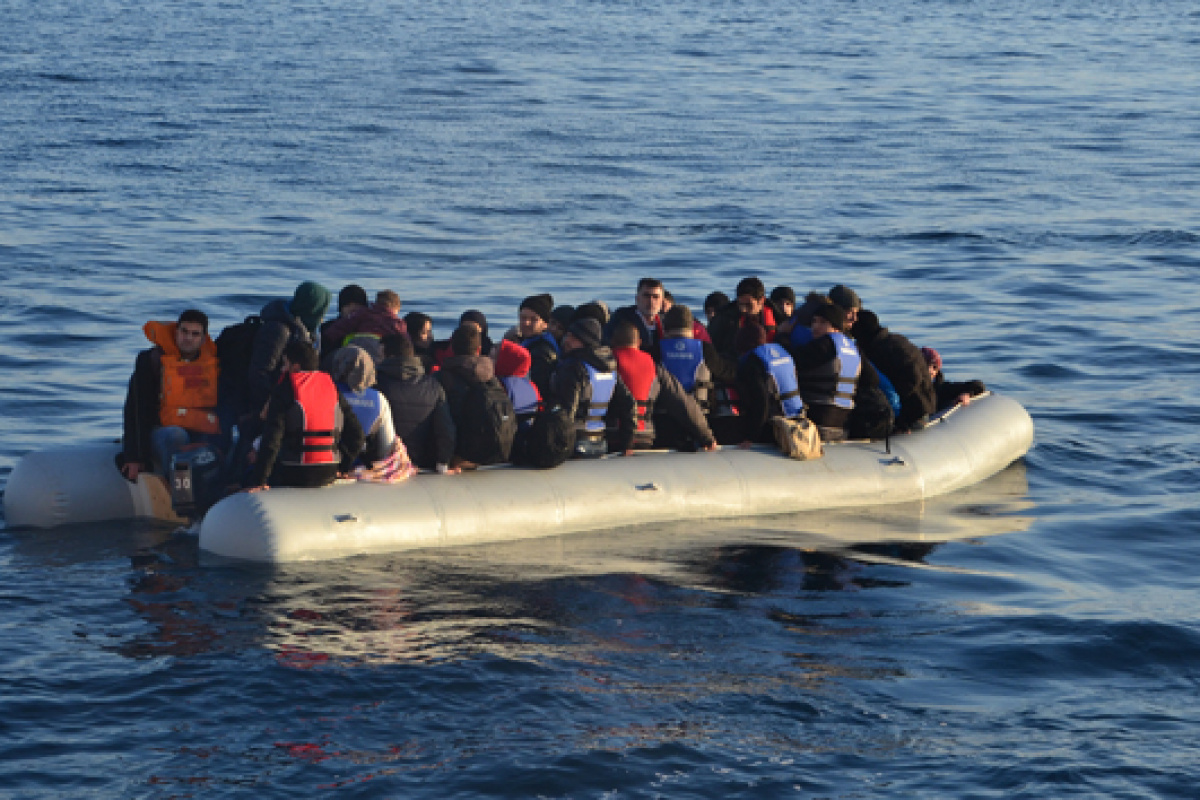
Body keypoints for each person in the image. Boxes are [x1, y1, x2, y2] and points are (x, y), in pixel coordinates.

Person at [121, 310, 222, 481]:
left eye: (195, 334)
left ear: (203, 339)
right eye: (184, 331)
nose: (188, 338)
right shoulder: (151, 360)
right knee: (175, 435)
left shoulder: (212, 364)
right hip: (161, 431)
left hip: (199, 429)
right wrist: (134, 457)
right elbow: (135, 409)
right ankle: (179, 493)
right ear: (176, 332)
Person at [248, 340, 364, 489]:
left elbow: (272, 438)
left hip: (293, 471)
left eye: (285, 364)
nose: (283, 368)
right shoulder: (331, 386)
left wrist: (260, 481)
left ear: (295, 367)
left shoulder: (285, 388)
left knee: (247, 466)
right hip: (329, 472)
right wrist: (343, 467)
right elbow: (357, 435)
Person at [611, 321, 716, 451]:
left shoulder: (606, 365)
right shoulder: (654, 368)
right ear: (639, 342)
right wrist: (707, 437)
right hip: (644, 436)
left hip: (613, 436)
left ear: (613, 342)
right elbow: (683, 403)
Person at [548, 317, 637, 457]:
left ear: (586, 341)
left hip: (576, 443)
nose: (567, 341)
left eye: (573, 338)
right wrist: (627, 444)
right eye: (568, 335)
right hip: (600, 443)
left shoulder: (573, 368)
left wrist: (557, 447)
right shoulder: (610, 369)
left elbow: (567, 412)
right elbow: (629, 404)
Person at [247, 281, 332, 420]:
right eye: (320, 311)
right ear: (311, 308)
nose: (322, 319)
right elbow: (260, 372)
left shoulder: (306, 330)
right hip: (266, 410)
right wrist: (271, 407)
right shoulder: (278, 330)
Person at [375, 334, 457, 474]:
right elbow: (446, 430)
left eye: (380, 354)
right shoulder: (433, 386)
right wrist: (442, 463)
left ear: (388, 355)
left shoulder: (376, 384)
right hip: (421, 463)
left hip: (383, 464)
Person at [437, 323, 515, 467]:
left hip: (460, 453)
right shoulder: (492, 379)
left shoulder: (442, 378)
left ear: (452, 348)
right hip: (495, 451)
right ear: (479, 350)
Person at [851, 310, 936, 432]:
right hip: (917, 406)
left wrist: (893, 404)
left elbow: (913, 378)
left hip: (916, 411)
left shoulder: (890, 348)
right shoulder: (886, 342)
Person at [787, 303, 862, 441]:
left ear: (836, 326)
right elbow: (872, 379)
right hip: (843, 423)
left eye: (822, 322)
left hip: (818, 419)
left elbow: (790, 361)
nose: (815, 327)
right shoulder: (854, 349)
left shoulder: (824, 345)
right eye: (814, 321)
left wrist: (783, 336)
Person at [732, 322, 804, 445]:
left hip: (774, 426)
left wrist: (751, 438)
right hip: (798, 420)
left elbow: (761, 402)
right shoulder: (782, 351)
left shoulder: (753, 362)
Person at [330, 345, 397, 466]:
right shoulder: (379, 399)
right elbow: (387, 446)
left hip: (330, 464)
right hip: (360, 468)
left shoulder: (328, 391)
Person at [321, 289, 408, 366]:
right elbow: (406, 343)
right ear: (396, 309)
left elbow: (341, 327)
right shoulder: (397, 322)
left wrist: (329, 334)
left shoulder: (363, 313)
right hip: (380, 352)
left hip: (358, 348)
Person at [708, 277, 784, 359]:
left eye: (749, 305)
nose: (743, 310)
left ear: (761, 301)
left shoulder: (779, 318)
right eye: (741, 304)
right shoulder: (723, 319)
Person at [603, 278, 665, 354]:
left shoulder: (665, 321)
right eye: (646, 296)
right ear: (637, 298)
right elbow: (606, 342)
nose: (651, 301)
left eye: (656, 297)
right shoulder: (622, 317)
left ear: (662, 301)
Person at [517, 293, 559, 399]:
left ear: (545, 324)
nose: (526, 323)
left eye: (533, 319)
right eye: (523, 318)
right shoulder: (528, 343)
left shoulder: (542, 352)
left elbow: (540, 389)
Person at [921, 347, 987, 411]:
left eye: (935, 367)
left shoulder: (941, 389)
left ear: (937, 372)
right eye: (926, 364)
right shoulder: (912, 390)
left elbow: (978, 385)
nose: (930, 370)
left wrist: (967, 394)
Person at [319, 284, 369, 355]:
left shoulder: (371, 327)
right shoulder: (328, 328)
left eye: (357, 305)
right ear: (341, 308)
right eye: (348, 305)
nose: (352, 309)